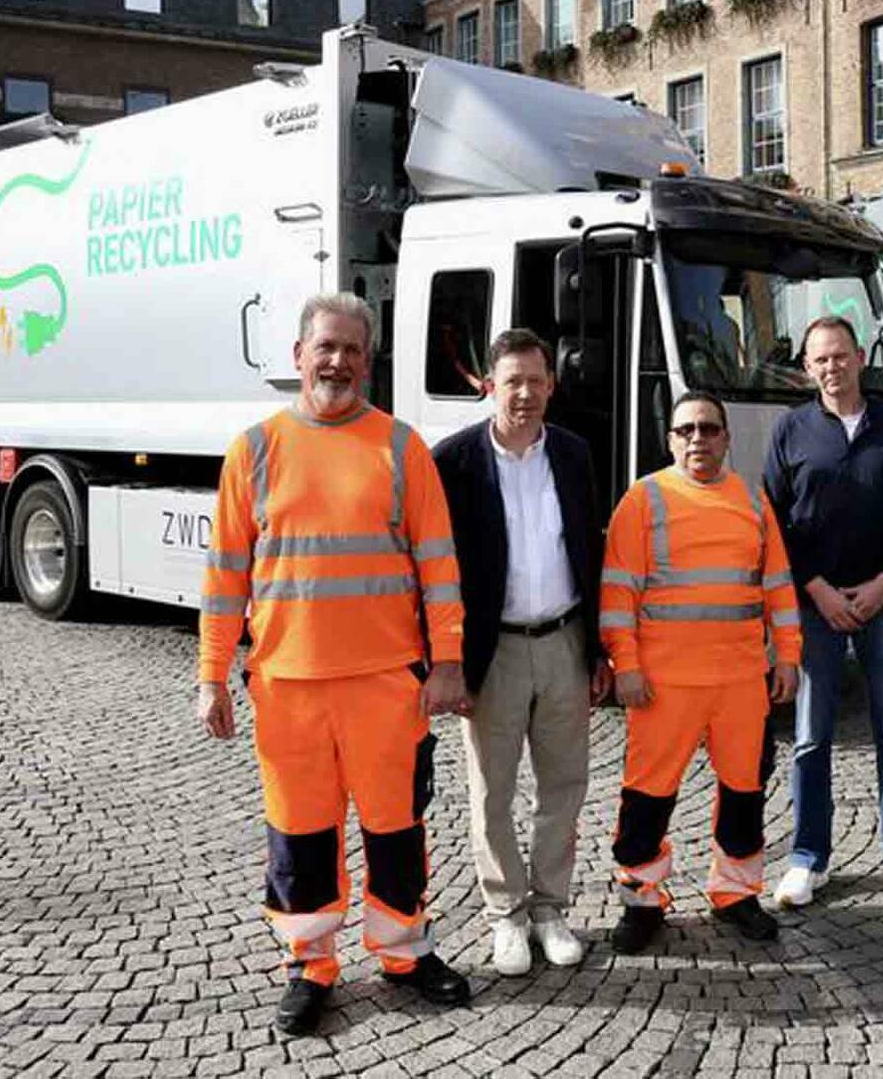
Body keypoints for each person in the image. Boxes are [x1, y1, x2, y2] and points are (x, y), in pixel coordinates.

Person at [197, 292, 473, 1036]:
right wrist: (212, 674)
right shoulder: (254, 451)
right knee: (300, 836)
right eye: (325, 346)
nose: (338, 361)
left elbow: (439, 566)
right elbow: (225, 575)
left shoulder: (401, 448)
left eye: (352, 349)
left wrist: (447, 661)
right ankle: (310, 964)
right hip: (287, 687)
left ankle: (404, 953)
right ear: (298, 356)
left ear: (368, 360)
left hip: (387, 684)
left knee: (396, 829)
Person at [432, 329, 607, 977]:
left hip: (564, 641)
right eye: (513, 382)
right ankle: (505, 914)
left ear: (551, 386)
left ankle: (549, 909)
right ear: (489, 386)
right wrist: (448, 661)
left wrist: (599, 650)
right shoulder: (453, 462)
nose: (525, 394)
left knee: (563, 786)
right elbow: (434, 568)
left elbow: (590, 551)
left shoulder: (574, 454)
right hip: (493, 650)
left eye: (536, 381)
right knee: (491, 793)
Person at [600, 391, 802, 953]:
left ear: (726, 438)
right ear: (669, 439)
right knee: (647, 796)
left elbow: (778, 587)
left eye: (709, 429)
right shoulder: (643, 500)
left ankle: (735, 893)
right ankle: (642, 899)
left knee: (744, 791)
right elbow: (618, 592)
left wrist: (788, 655)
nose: (698, 439)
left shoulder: (753, 502)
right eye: (686, 429)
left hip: (740, 681)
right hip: (663, 684)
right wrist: (625, 665)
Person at [762, 315, 883, 915]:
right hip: (816, 605)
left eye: (840, 356)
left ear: (861, 357)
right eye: (820, 359)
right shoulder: (791, 429)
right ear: (806, 368)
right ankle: (807, 857)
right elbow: (775, 520)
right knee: (811, 736)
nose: (831, 368)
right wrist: (816, 588)